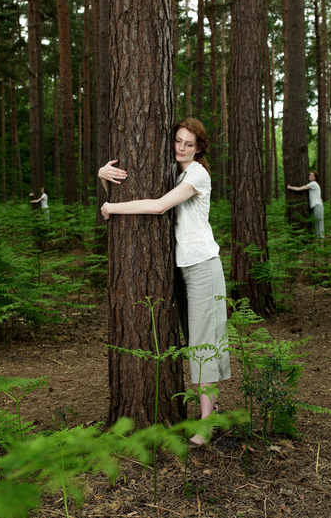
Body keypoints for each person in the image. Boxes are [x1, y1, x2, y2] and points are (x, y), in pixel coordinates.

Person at [98, 117, 230, 447]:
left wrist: (111, 207)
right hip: (181, 270)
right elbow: (135, 190)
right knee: (192, 343)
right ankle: (209, 411)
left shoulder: (197, 174)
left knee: (203, 347)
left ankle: (206, 425)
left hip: (203, 268)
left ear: (199, 148)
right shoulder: (174, 171)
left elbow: (157, 207)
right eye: (178, 141)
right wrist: (102, 177)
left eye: (189, 143)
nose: (181, 148)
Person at [287, 170, 324, 239]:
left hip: (317, 205)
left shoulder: (313, 184)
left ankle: (321, 244)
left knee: (319, 224)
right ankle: (319, 243)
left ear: (315, 178)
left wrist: (289, 187)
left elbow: (299, 189)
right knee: (317, 223)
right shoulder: (313, 184)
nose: (310, 176)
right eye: (310, 175)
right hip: (316, 206)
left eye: (312, 175)